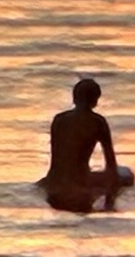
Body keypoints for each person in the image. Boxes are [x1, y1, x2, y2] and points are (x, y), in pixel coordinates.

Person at [42, 77, 119, 213]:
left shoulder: (59, 120)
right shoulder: (98, 122)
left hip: (53, 184)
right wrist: (110, 201)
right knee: (126, 176)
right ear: (95, 101)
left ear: (74, 98)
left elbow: (57, 157)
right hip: (80, 186)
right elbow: (111, 164)